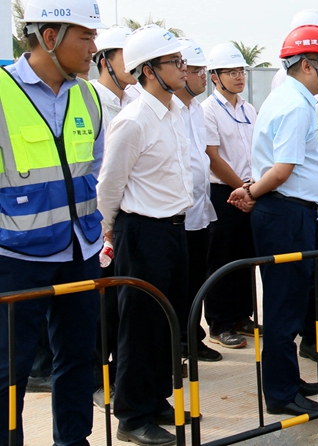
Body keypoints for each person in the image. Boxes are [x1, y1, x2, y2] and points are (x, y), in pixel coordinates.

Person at [0, 0, 106, 446]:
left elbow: (94, 169)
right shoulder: (3, 93)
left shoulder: (89, 97)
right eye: (85, 36)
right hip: (16, 258)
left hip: (80, 250)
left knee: (79, 358)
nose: (93, 47)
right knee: (9, 371)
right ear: (49, 37)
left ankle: (73, 441)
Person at [227, 24, 318, 416]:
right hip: (285, 211)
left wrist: (253, 190)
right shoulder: (295, 106)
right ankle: (281, 394)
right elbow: (282, 170)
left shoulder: (286, 97)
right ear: (307, 65)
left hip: (286, 210)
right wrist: (252, 193)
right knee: (283, 307)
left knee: (288, 301)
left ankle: (288, 378)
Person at [97, 24, 194, 445]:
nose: (183, 68)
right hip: (141, 232)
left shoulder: (175, 113)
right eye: (175, 62)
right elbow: (109, 185)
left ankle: (155, 398)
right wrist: (108, 233)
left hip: (174, 228)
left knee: (165, 321)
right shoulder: (133, 121)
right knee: (138, 326)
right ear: (149, 71)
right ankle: (132, 416)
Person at [89, 24, 138, 410]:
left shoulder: (132, 100)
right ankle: (96, 382)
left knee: (123, 310)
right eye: (125, 55)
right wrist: (103, 223)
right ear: (104, 60)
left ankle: (121, 380)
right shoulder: (91, 99)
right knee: (101, 311)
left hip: (125, 219)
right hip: (99, 218)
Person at [201, 43, 259, 348]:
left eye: (241, 71)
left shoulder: (249, 109)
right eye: (231, 72)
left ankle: (241, 316)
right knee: (221, 258)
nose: (239, 77)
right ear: (215, 76)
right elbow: (212, 157)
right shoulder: (208, 111)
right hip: (224, 192)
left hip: (248, 189)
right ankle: (220, 323)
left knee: (245, 257)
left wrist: (251, 188)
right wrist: (242, 188)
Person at [174, 42, 222, 362]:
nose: (201, 76)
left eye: (203, 70)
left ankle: (192, 336)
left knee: (196, 280)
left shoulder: (195, 110)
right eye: (195, 70)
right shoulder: (170, 110)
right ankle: (179, 339)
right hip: (177, 213)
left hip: (200, 209)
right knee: (179, 282)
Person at [91, 25, 139, 129]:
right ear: (104, 63)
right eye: (127, 58)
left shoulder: (135, 102)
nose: (135, 64)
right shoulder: (90, 101)